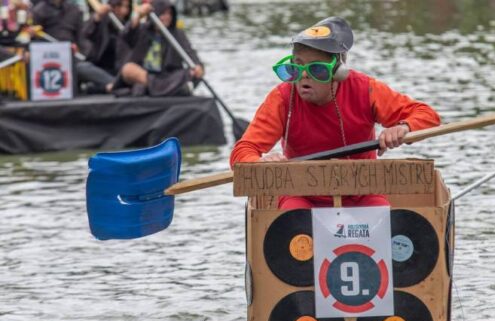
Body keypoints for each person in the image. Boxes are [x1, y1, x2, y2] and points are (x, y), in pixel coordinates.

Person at [229, 16, 440, 210]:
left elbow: (427, 115)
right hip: (301, 194)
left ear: (338, 73)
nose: (303, 77)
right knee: (292, 217)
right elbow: (243, 151)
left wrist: (404, 127)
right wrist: (261, 164)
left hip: (362, 190)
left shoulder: (366, 90)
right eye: (295, 68)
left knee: (378, 213)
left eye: (316, 70)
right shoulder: (282, 98)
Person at [118, 0, 204, 96]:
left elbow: (190, 53)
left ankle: (156, 89)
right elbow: (125, 36)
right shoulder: (143, 30)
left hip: (168, 75)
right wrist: (138, 15)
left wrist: (198, 66)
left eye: (169, 14)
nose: (167, 17)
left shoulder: (177, 33)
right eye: (163, 14)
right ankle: (169, 89)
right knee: (128, 69)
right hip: (146, 75)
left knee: (190, 73)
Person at [81, 0, 131, 93]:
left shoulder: (128, 27)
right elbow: (86, 33)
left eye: (126, 7)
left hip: (118, 71)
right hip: (99, 69)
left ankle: (110, 86)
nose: (124, 11)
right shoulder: (101, 22)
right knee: (82, 68)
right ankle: (114, 85)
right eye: (120, 6)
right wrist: (97, 17)